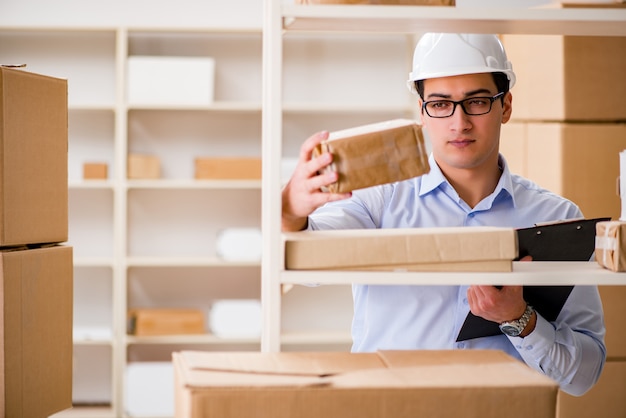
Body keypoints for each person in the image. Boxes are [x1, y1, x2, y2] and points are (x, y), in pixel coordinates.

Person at [281, 32, 606, 396]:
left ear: (507, 106)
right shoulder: (380, 200)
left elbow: (583, 377)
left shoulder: (555, 218)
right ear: (421, 112)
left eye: (477, 102)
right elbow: (307, 265)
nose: (459, 122)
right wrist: (290, 210)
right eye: (440, 104)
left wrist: (520, 319)